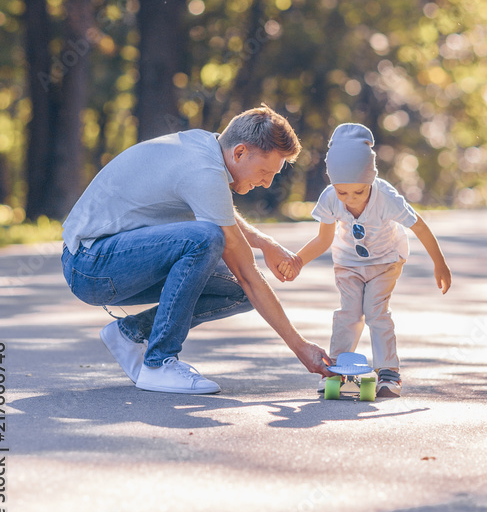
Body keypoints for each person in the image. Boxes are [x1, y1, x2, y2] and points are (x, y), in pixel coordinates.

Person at [61, 104, 329, 394]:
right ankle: (158, 364)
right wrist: (300, 347)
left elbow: (218, 210)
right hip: (89, 265)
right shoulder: (203, 170)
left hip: (105, 262)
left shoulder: (207, 148)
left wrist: (266, 243)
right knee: (208, 241)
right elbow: (246, 271)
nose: (266, 183)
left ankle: (132, 334)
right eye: (265, 171)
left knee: (237, 290)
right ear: (239, 152)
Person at [279, 123, 451, 398]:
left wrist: (439, 262)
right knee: (349, 313)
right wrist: (298, 261)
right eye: (342, 192)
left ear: (370, 180)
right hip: (348, 264)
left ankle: (388, 372)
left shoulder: (386, 198)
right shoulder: (329, 198)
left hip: (386, 262)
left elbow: (418, 226)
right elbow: (324, 239)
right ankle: (336, 368)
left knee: (375, 312)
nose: (350, 200)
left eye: (358, 192)